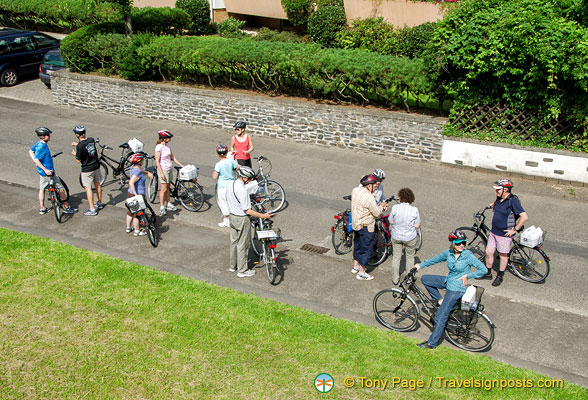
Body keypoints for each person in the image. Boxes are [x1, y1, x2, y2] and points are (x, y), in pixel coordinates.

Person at [414, 230, 487, 349]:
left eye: (463, 242)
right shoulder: (449, 253)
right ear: (453, 243)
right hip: (449, 281)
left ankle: (431, 343)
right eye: (459, 243)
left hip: (456, 289)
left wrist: (468, 276)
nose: (462, 245)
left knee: (439, 317)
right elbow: (436, 259)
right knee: (426, 279)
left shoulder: (467, 255)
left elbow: (483, 270)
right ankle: (440, 300)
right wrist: (420, 265)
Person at [479, 178, 529, 287]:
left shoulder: (513, 201)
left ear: (506, 190)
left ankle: (500, 275)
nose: (496, 191)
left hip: (504, 235)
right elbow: (497, 203)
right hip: (494, 232)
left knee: (502, 255)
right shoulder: (499, 198)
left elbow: (524, 217)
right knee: (488, 252)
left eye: (498, 189)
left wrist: (514, 230)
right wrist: (491, 205)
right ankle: (488, 273)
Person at [226, 166, 272, 277]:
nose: (250, 181)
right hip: (241, 219)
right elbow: (248, 210)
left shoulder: (230, 184)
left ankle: (233, 266)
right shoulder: (242, 190)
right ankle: (242, 270)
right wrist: (263, 215)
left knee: (234, 242)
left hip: (232, 216)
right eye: (250, 179)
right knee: (243, 245)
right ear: (245, 178)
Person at [29, 127, 77, 215]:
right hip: (48, 172)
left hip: (41, 173)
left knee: (42, 189)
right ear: (43, 136)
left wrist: (37, 164)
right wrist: (45, 169)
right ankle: (66, 207)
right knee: (60, 188)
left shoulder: (38, 143)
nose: (49, 136)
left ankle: (42, 208)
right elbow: (36, 159)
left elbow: (31, 151)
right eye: (48, 135)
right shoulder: (42, 147)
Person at [351, 174, 384, 281]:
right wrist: (382, 207)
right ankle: (361, 272)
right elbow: (377, 213)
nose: (375, 189)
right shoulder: (369, 197)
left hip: (356, 224)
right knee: (366, 249)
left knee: (357, 245)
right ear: (369, 185)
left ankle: (355, 266)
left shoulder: (355, 190)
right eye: (375, 187)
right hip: (366, 226)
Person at [389, 188, 421, 285]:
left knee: (396, 257)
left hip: (396, 236)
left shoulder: (395, 208)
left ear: (400, 197)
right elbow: (417, 224)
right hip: (409, 237)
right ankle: (409, 278)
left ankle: (395, 278)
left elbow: (390, 220)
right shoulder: (414, 210)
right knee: (410, 257)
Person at [71, 125, 104, 216]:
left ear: (77, 135)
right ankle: (100, 203)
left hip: (87, 169)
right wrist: (77, 145)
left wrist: (75, 154)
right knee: (97, 184)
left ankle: (92, 209)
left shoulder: (80, 146)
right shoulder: (91, 140)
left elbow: (78, 160)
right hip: (96, 166)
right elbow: (87, 147)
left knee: (88, 188)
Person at [155, 129, 183, 216]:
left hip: (169, 169)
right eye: (168, 137)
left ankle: (169, 203)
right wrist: (161, 173)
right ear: (164, 138)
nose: (170, 139)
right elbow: (157, 160)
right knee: (163, 189)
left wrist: (181, 165)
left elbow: (172, 157)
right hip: (163, 169)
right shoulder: (159, 147)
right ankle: (162, 206)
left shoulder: (167, 145)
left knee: (168, 187)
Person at [126, 153, 153, 236]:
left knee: (130, 211)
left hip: (130, 193)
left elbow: (140, 171)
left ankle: (128, 227)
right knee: (137, 214)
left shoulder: (133, 168)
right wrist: (136, 194)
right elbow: (131, 182)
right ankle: (137, 231)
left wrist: (147, 172)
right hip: (137, 194)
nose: (143, 160)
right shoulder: (137, 173)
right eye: (142, 160)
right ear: (140, 161)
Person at [213, 143, 239, 228]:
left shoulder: (218, 164)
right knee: (232, 202)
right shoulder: (231, 161)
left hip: (222, 186)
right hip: (231, 185)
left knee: (223, 203)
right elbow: (238, 167)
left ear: (217, 154)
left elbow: (215, 177)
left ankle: (227, 220)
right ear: (227, 152)